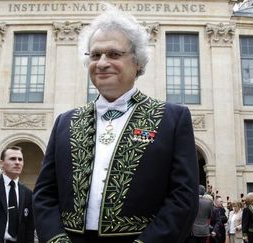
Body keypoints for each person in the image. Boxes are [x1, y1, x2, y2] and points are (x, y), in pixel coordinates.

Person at [32, 4, 199, 243]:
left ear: (138, 62)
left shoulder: (172, 119)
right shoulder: (65, 122)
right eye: (95, 55)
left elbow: (183, 197)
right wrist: (57, 239)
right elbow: (44, 195)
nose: (101, 63)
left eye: (113, 54)